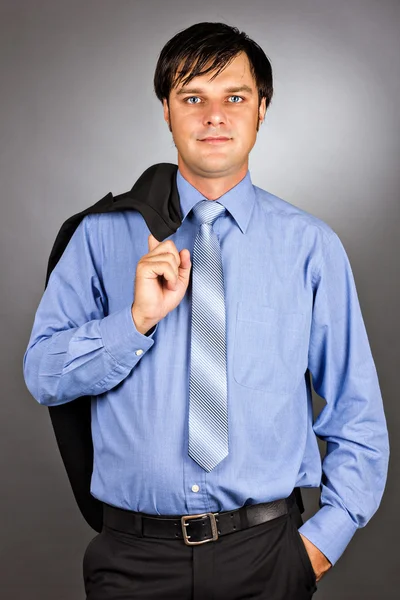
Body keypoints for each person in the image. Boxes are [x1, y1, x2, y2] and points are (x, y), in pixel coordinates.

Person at [23, 21, 389, 600]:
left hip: (270, 557)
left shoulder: (311, 247)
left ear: (262, 108)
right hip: (132, 563)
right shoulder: (99, 237)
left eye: (234, 98)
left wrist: (318, 546)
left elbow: (357, 414)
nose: (214, 116)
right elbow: (43, 376)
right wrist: (135, 322)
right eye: (192, 97)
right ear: (166, 109)